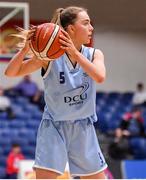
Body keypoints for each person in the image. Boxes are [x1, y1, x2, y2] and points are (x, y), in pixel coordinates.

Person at [5, 6, 107, 179]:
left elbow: (99, 76)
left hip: (83, 126)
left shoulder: (94, 54)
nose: (91, 28)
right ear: (72, 29)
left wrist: (75, 54)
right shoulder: (49, 57)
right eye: (86, 23)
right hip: (54, 126)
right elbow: (11, 72)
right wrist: (25, 50)